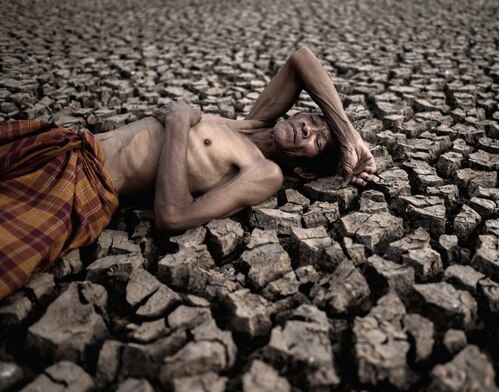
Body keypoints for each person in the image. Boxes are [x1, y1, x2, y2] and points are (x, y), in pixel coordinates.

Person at [0, 47, 376, 299]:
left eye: (319, 142)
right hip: (66, 145)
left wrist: (179, 124)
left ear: (304, 172)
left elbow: (173, 216)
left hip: (82, 185)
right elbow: (301, 59)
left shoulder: (265, 172)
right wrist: (347, 135)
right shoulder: (252, 121)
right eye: (312, 119)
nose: (310, 129)